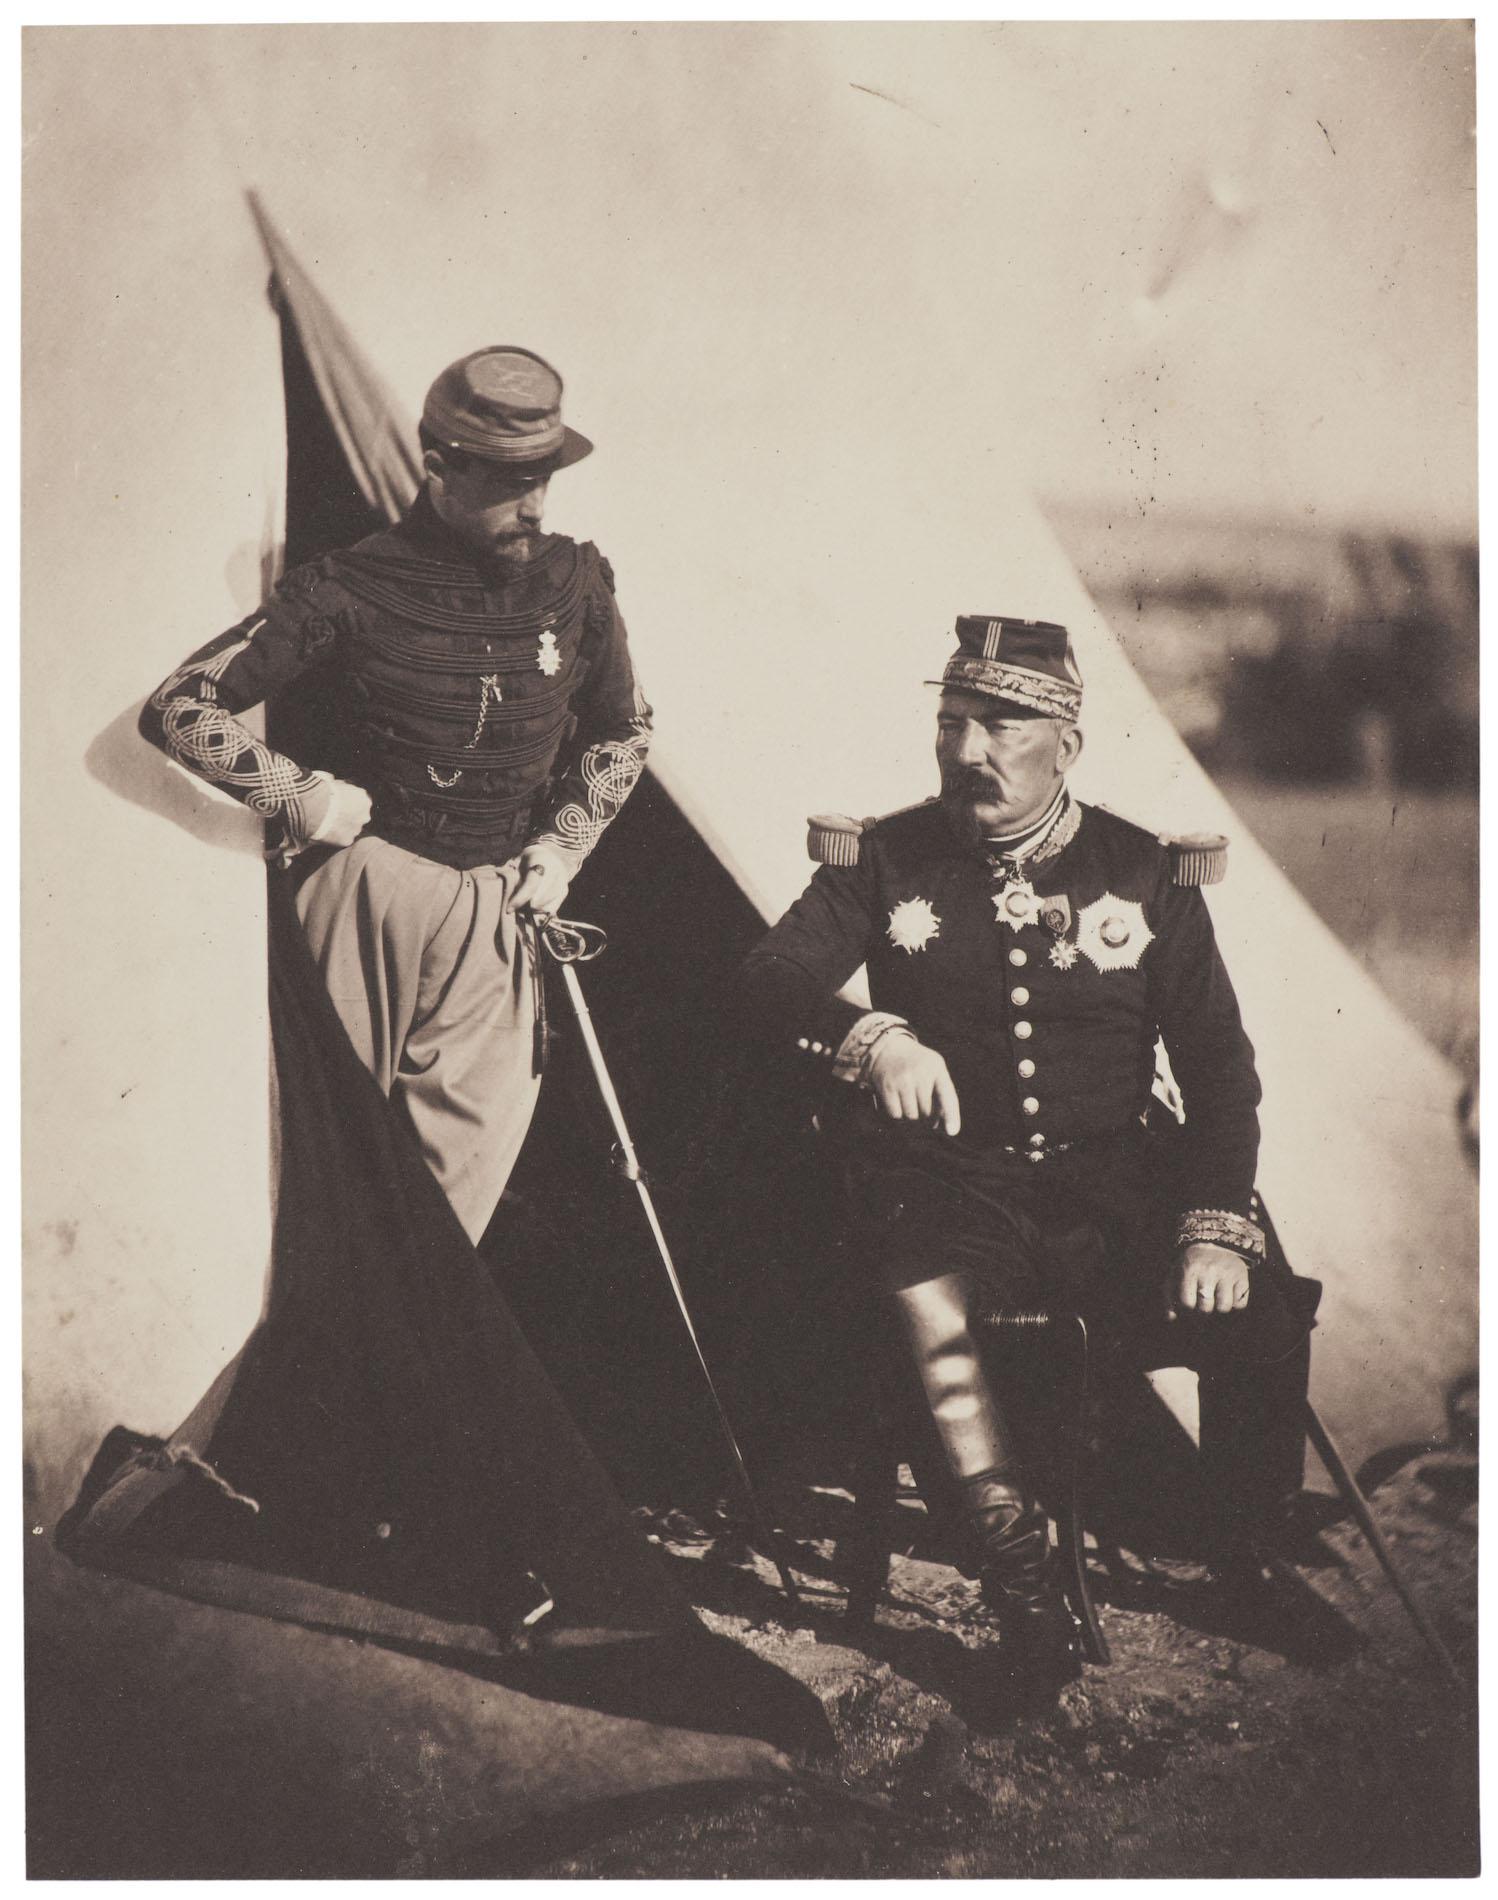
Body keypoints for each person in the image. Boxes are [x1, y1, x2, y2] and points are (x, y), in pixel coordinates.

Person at [735, 614, 1346, 1699]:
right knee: (924, 1295)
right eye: (950, 721)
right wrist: (873, 1035)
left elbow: (1216, 1066)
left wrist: (1212, 1220)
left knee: (1252, 1309)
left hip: (1108, 1186)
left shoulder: (1145, 873)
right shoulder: (886, 860)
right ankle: (1020, 1594)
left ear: (1065, 743)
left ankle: (1250, 1560)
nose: (966, 750)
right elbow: (769, 978)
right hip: (949, 1186)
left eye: (999, 724)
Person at [140, 345, 651, 1248]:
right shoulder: (352, 585)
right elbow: (181, 706)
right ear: (439, 468)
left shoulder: (574, 585)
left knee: (444, 1224)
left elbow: (625, 729)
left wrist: (567, 841)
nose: (534, 506)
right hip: (366, 904)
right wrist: (296, 794)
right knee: (324, 1191)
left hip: (499, 925)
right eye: (508, 481)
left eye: (544, 479)